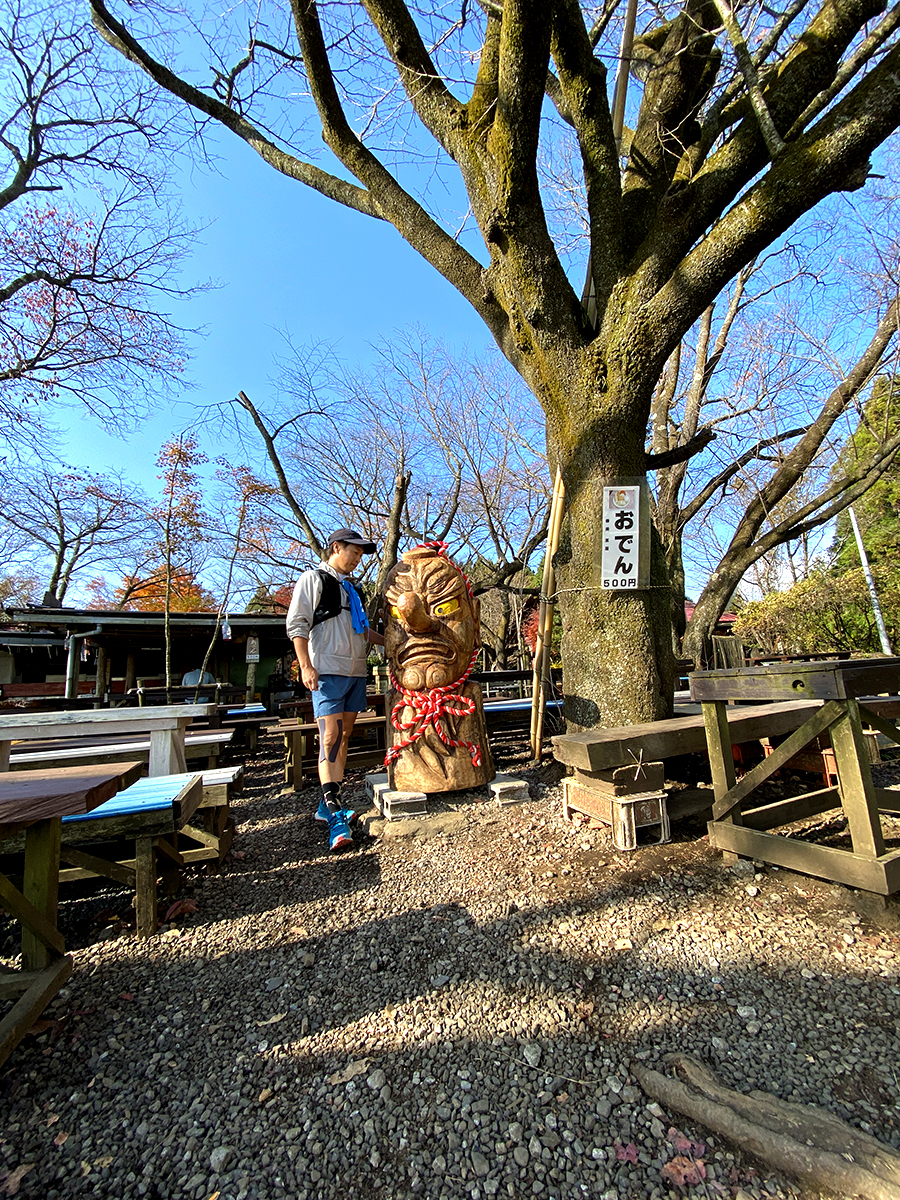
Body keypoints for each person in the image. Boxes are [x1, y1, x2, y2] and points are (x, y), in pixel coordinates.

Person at [286, 529, 384, 850]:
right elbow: (297, 623)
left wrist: (396, 642)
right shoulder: (314, 580)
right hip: (326, 671)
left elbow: (363, 631)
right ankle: (333, 812)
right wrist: (306, 665)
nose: (358, 559)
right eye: (353, 553)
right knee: (329, 736)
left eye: (361, 555)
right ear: (336, 547)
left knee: (344, 736)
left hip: (356, 672)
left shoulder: (354, 589)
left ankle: (329, 800)